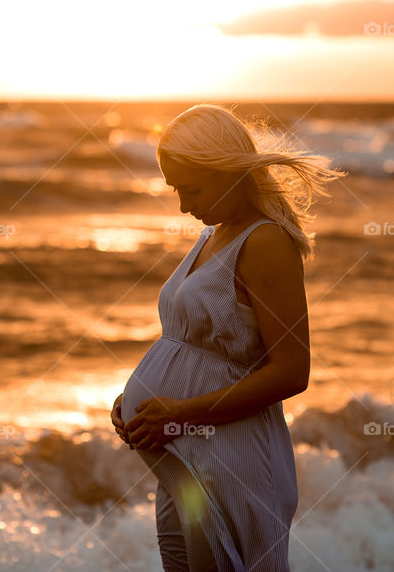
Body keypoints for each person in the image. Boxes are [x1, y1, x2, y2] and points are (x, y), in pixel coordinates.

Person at [110, 104, 344, 572]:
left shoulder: (266, 242)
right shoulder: (212, 235)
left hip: (232, 460)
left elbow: (291, 372)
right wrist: (135, 401)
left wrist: (179, 413)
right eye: (175, 189)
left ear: (226, 170)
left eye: (190, 188)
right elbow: (186, 346)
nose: (180, 204)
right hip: (190, 458)